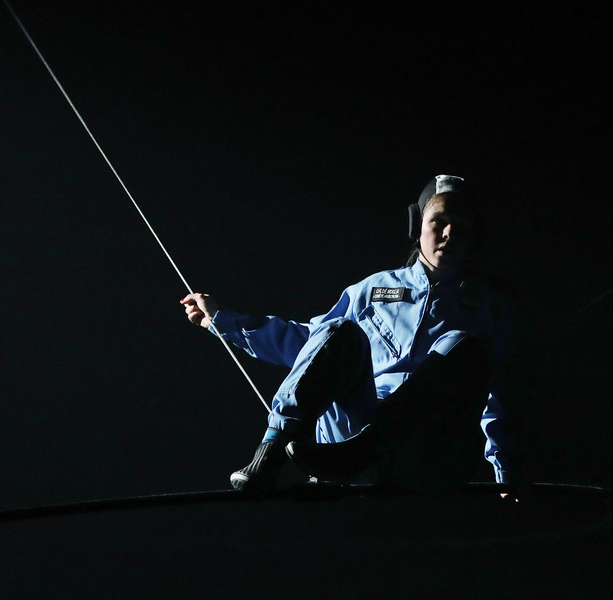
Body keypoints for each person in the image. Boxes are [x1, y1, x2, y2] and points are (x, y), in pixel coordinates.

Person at [181, 175, 516, 494]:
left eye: (461, 225)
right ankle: (271, 452)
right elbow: (312, 346)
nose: (449, 233)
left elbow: (501, 395)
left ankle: (368, 450)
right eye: (439, 221)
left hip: (424, 453)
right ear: (417, 225)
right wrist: (222, 320)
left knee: (462, 346)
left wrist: (507, 472)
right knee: (338, 329)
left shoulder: (491, 305)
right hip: (349, 440)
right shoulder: (373, 289)